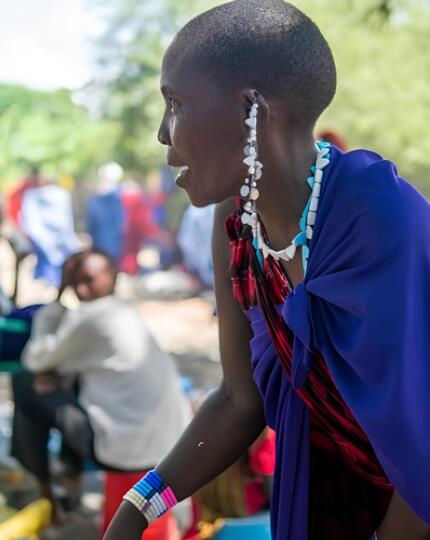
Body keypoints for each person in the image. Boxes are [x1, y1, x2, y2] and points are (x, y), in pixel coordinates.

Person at [104, 1, 430, 539]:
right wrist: (137, 508)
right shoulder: (237, 223)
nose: (163, 133)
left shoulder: (382, 219)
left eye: (175, 104)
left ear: (250, 109)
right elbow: (239, 399)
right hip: (325, 503)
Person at [11, 250, 191, 528]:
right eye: (74, 282)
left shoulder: (90, 317)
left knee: (24, 382)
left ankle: (46, 488)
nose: (81, 289)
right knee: (49, 383)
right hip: (163, 442)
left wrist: (58, 300)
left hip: (126, 450)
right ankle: (65, 476)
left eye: (87, 280)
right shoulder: (123, 308)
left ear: (114, 278)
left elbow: (34, 359)